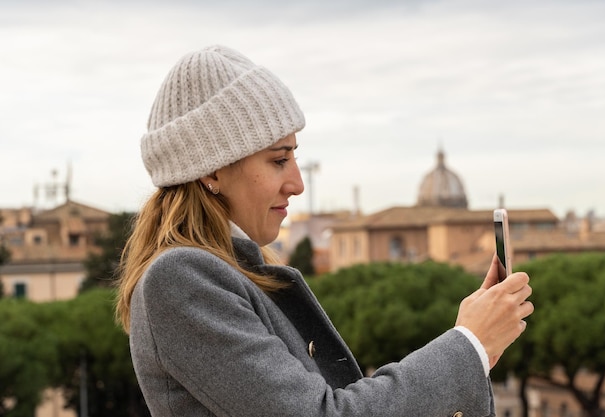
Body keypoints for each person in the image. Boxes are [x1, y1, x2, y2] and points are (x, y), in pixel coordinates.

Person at [115, 45, 534, 417]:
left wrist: (480, 347)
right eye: (279, 160)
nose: (297, 183)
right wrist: (467, 344)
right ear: (211, 170)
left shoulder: (225, 274)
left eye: (294, 158)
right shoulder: (182, 279)